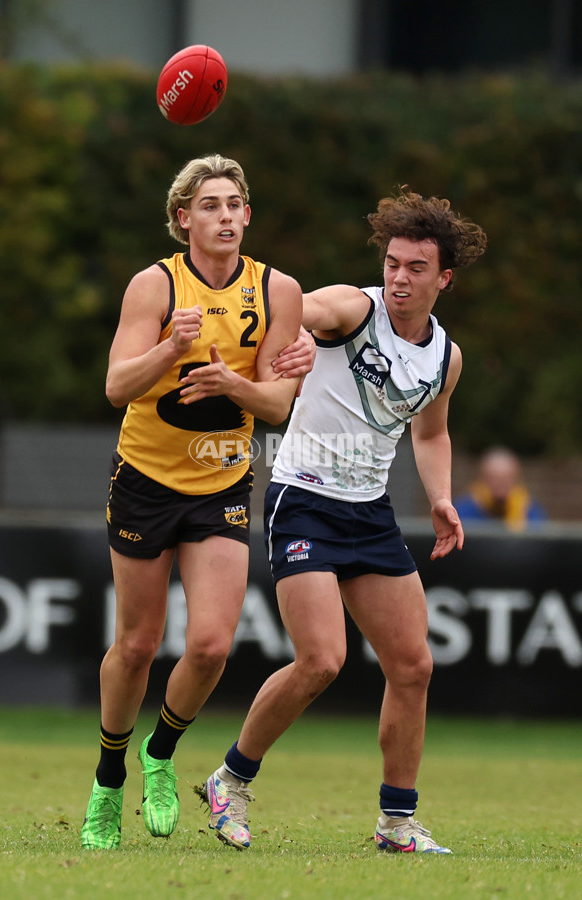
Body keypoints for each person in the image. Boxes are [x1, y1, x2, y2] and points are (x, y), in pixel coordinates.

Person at [196, 187, 487, 854]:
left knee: (413, 666)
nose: (399, 278)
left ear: (444, 277)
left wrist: (441, 495)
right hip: (304, 499)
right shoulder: (355, 309)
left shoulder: (445, 357)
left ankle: (396, 824)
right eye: (392, 263)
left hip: (370, 513)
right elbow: (301, 309)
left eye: (416, 268)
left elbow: (432, 434)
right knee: (322, 660)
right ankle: (230, 780)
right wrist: (290, 340)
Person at [81, 153, 313, 850]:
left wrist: (229, 384)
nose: (225, 217)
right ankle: (108, 777)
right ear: (184, 219)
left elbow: (276, 403)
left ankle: (159, 755)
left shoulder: (278, 290)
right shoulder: (155, 286)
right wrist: (169, 349)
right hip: (146, 480)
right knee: (138, 644)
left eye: (234, 205)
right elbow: (118, 387)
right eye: (209, 205)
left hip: (221, 484)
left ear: (247, 216)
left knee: (211, 646)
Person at [454, 446, 546, 531]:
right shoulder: (463, 510)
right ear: (482, 479)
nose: (500, 485)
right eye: (494, 478)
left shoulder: (529, 510)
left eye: (506, 479)